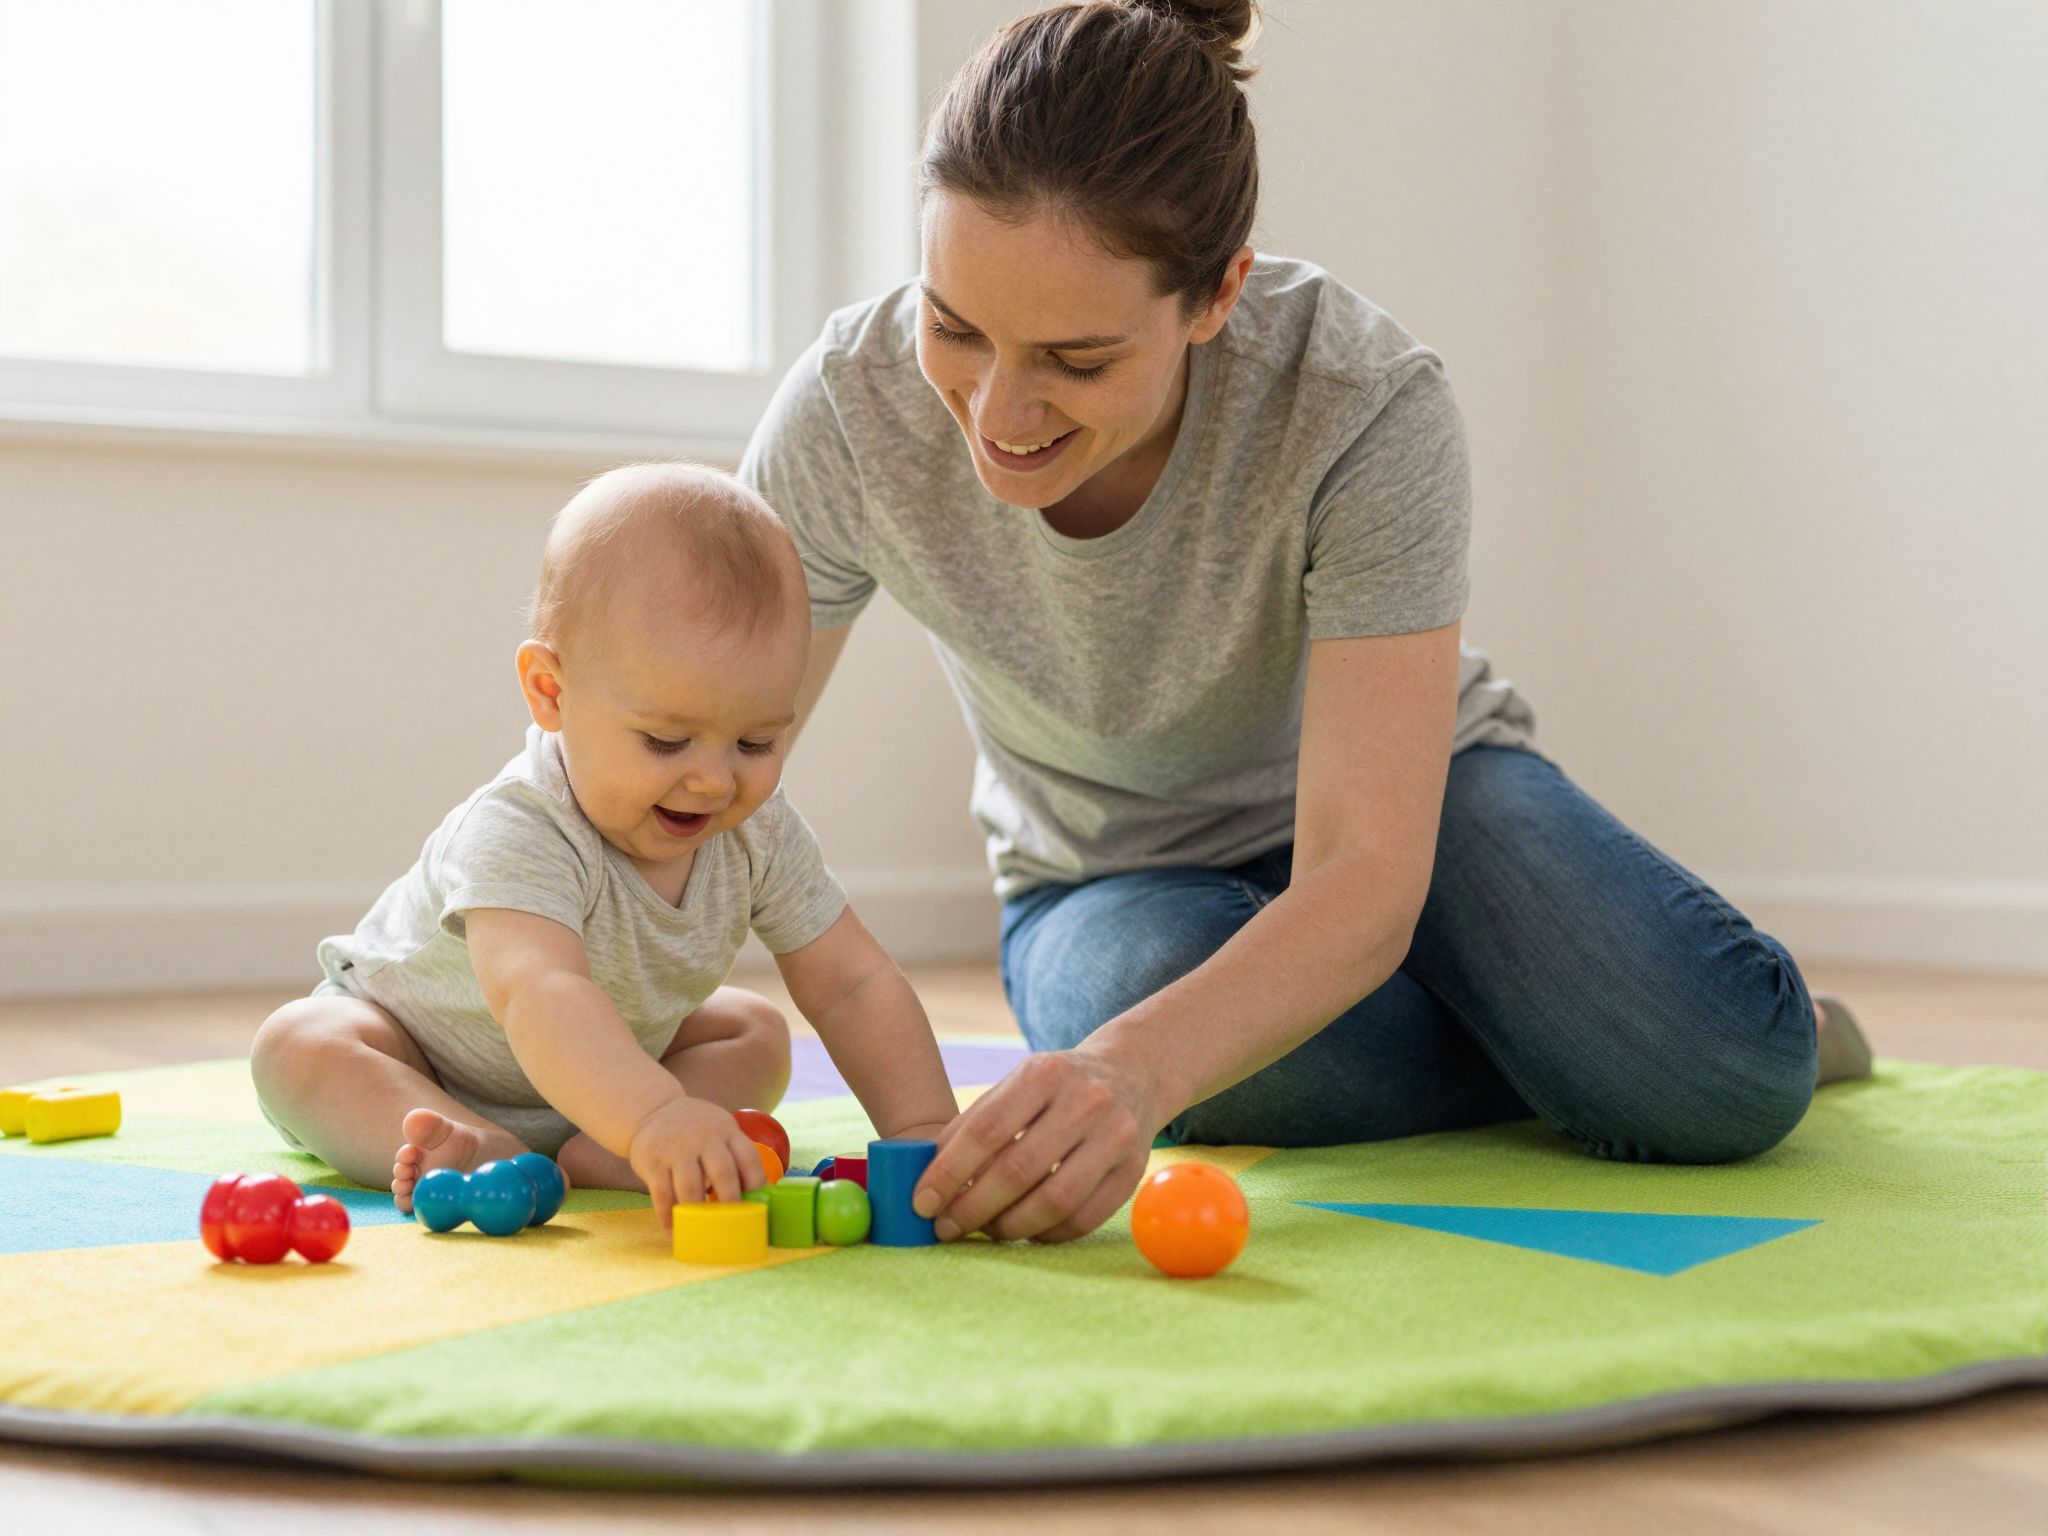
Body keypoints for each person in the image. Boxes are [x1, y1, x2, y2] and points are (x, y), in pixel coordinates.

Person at [742, 0, 1876, 1247]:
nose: (997, 410)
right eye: (953, 325)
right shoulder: (849, 413)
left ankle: (1679, 1034)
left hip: (1413, 813)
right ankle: (1552, 1045)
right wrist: (529, 1047)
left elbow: (1362, 867)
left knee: (1716, 1074)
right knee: (1139, 1007)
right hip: (1107, 879)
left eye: (1074, 358)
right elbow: (680, 760)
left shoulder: (1360, 404)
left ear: (1215, 295)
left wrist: (1142, 1071)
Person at [251, 463, 958, 1231]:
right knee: (299, 1044)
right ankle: (465, 1143)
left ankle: (601, 1147)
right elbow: (539, 992)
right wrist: (656, 1114)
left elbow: (851, 982)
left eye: (757, 741)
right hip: (422, 1058)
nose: (713, 781)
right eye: (666, 740)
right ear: (551, 692)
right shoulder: (520, 827)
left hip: (614, 1078)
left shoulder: (760, 830)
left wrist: (923, 1131)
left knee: (753, 1030)